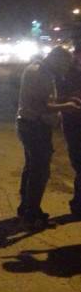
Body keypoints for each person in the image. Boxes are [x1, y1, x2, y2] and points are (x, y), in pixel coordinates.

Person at [16, 46, 80, 228]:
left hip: (30, 125)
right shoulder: (40, 74)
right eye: (66, 63)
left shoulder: (39, 70)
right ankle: (31, 213)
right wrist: (67, 106)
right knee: (39, 172)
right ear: (56, 59)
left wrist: (68, 99)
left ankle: (26, 207)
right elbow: (42, 105)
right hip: (35, 126)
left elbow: (47, 99)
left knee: (31, 168)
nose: (67, 68)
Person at [57, 44, 81, 218]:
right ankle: (77, 205)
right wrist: (70, 99)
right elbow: (53, 98)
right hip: (73, 123)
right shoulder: (65, 74)